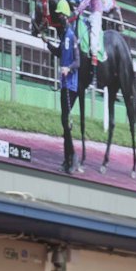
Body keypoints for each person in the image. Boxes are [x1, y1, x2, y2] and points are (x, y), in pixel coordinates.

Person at [56, 12, 80, 175]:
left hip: (71, 86)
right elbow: (58, 52)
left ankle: (74, 158)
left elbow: (78, 62)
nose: (59, 20)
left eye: (61, 17)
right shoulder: (64, 35)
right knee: (64, 122)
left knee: (66, 121)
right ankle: (67, 160)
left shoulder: (72, 36)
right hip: (63, 84)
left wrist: (68, 68)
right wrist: (45, 41)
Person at [76, 0, 104, 66]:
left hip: (96, 12)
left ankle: (95, 58)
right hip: (89, 12)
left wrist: (78, 10)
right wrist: (80, 13)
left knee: (93, 37)